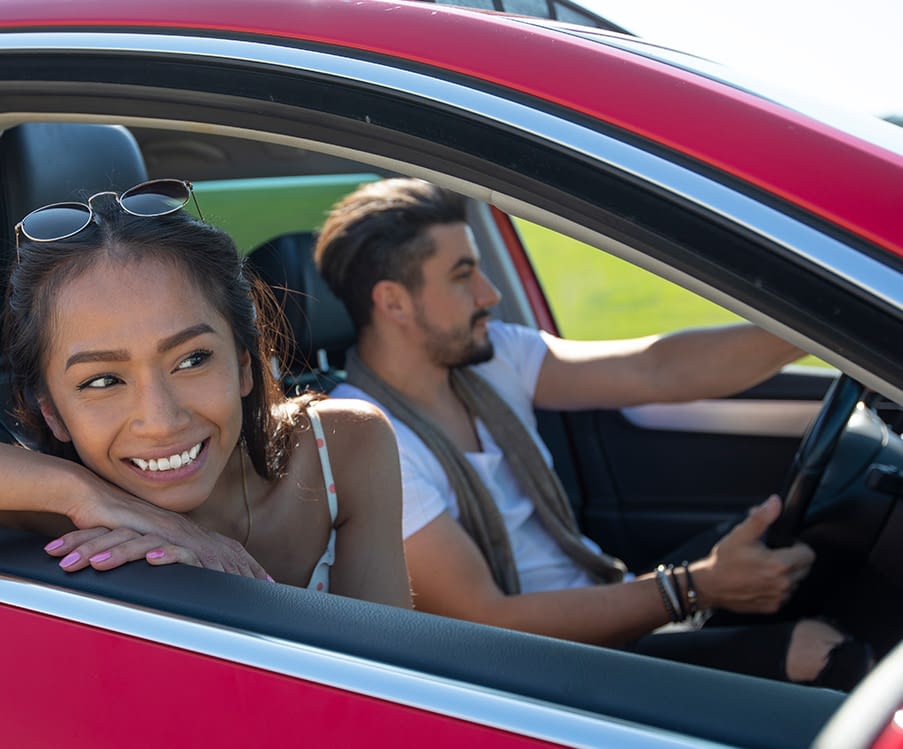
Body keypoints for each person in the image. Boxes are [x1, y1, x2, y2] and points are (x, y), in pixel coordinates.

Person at [313, 177, 870, 685]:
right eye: (464, 275)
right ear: (393, 302)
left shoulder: (492, 358)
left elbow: (660, 368)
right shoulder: (372, 439)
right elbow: (490, 622)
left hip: (603, 598)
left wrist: (829, 325)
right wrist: (691, 587)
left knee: (826, 535)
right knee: (821, 658)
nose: (490, 294)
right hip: (545, 664)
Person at [0, 179, 410, 606]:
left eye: (190, 358)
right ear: (50, 410)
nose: (160, 420)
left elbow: (397, 680)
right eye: (102, 380)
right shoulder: (38, 518)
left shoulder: (341, 446)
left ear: (244, 364)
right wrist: (76, 492)